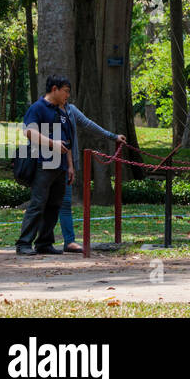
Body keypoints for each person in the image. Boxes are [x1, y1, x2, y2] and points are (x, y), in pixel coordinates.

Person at [57, 81, 126, 253]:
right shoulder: (46, 110)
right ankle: (31, 242)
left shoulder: (71, 110)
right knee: (43, 202)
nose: (67, 96)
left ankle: (69, 241)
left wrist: (112, 136)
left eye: (68, 92)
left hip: (66, 163)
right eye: (65, 91)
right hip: (47, 163)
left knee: (65, 203)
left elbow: (88, 124)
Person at [14, 76, 75, 255]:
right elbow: (29, 132)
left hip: (61, 167)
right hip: (43, 163)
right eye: (66, 91)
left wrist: (70, 166)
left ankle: (44, 243)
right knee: (38, 203)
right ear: (54, 89)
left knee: (54, 205)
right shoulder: (37, 108)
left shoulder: (63, 112)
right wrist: (52, 144)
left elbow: (67, 141)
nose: (67, 95)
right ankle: (24, 243)